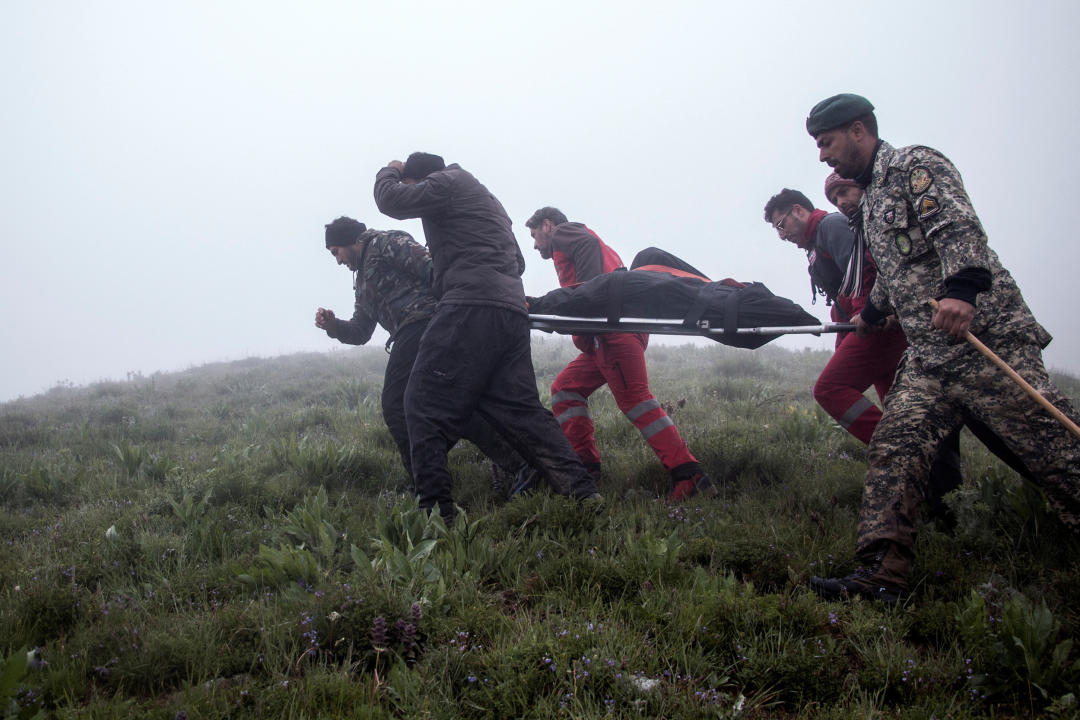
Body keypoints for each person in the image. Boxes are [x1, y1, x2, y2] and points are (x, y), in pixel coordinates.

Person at [803, 93, 1080, 603]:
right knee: (895, 449)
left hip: (983, 341)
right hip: (930, 359)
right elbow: (898, 268)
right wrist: (873, 311)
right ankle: (880, 577)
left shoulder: (915, 166)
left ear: (859, 130)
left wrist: (962, 291)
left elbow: (958, 230)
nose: (822, 156)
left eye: (827, 142)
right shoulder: (868, 202)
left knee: (1050, 449)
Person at [373, 153, 601, 521]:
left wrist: (392, 170)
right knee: (522, 411)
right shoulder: (487, 200)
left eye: (415, 187)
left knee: (419, 402)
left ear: (422, 178)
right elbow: (519, 262)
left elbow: (390, 201)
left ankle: (436, 514)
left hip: (469, 306)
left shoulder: (446, 182)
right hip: (509, 310)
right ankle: (583, 493)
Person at [315, 216, 533, 496]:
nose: (337, 261)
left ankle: (425, 483)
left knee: (396, 405)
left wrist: (459, 312)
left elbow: (434, 268)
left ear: (351, 241)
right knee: (452, 406)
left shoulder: (385, 243)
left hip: (427, 323)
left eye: (336, 252)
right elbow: (360, 331)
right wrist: (333, 327)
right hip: (412, 331)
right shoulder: (361, 282)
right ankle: (519, 464)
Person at [524, 207, 717, 501]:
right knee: (565, 389)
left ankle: (689, 475)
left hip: (613, 335)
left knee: (637, 402)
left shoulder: (566, 233)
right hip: (608, 336)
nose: (535, 244)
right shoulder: (575, 248)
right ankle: (586, 468)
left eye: (535, 235)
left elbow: (588, 280)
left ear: (548, 226)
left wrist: (588, 293)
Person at [763, 187, 907, 445]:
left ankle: (894, 447)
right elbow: (842, 296)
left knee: (829, 389)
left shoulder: (831, 225)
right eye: (777, 230)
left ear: (798, 210)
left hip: (878, 325)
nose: (782, 235)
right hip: (868, 326)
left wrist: (866, 312)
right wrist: (843, 339)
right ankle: (932, 468)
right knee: (899, 406)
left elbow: (862, 269)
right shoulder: (814, 244)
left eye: (782, 225)